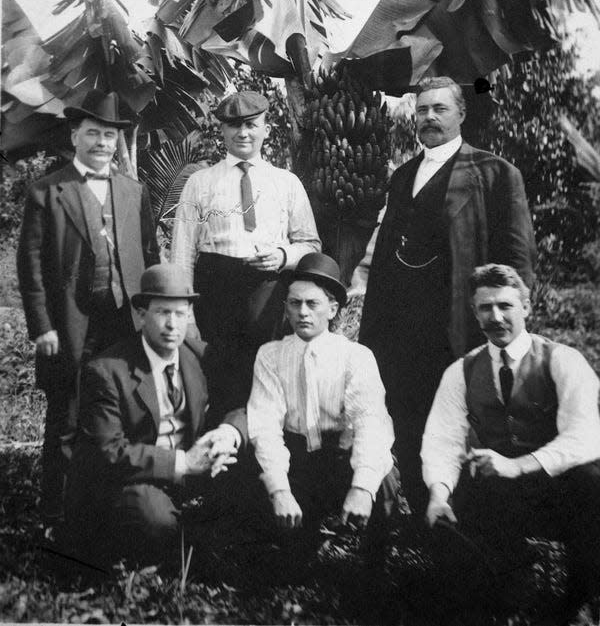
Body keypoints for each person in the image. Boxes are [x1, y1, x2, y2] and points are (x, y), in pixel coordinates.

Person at [359, 76, 536, 514]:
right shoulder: (402, 177)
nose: (430, 117)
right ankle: (424, 517)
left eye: (440, 108)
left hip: (459, 327)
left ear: (461, 114)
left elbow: (517, 262)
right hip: (401, 330)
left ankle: (474, 528)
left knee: (465, 424)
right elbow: (382, 262)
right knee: (407, 420)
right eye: (422, 110)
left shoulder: (494, 173)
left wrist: (507, 331)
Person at [421, 263, 600, 622]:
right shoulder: (462, 371)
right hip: (498, 491)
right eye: (485, 308)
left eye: (506, 306)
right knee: (455, 506)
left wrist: (519, 465)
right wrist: (439, 493)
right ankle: (498, 589)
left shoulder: (562, 360)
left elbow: (585, 437)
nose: (496, 317)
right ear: (474, 312)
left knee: (592, 481)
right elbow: (442, 439)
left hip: (556, 484)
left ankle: (582, 595)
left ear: (527, 308)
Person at [16, 89, 159, 536]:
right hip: (70, 325)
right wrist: (42, 327)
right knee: (68, 418)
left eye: (110, 135)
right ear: (75, 136)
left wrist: (153, 319)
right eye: (93, 133)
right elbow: (32, 265)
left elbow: (151, 257)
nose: (102, 143)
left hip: (125, 322)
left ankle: (122, 509)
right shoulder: (48, 191)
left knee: (128, 413)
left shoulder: (135, 192)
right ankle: (56, 517)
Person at [66, 263, 246, 563]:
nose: (172, 325)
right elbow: (109, 452)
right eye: (163, 312)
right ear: (140, 315)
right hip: (128, 481)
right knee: (154, 519)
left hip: (188, 475)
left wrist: (228, 433)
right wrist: (184, 463)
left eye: (180, 314)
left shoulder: (200, 354)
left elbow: (240, 403)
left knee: (248, 473)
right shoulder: (107, 370)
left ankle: (196, 536)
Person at [171, 90, 321, 412]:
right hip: (215, 291)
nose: (243, 133)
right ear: (222, 131)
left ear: (266, 127)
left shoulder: (286, 182)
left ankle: (264, 458)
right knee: (219, 383)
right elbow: (182, 254)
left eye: (252, 124)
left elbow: (310, 245)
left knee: (266, 382)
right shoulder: (200, 182)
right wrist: (187, 316)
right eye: (234, 125)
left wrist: (283, 256)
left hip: (265, 294)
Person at [248, 253, 398, 550]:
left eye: (312, 304)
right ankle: (299, 535)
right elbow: (264, 426)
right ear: (286, 308)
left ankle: (375, 561)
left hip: (341, 459)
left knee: (382, 478)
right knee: (287, 554)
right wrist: (279, 490)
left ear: (333, 309)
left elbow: (372, 424)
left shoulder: (356, 357)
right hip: (297, 461)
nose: (303, 312)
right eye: (295, 303)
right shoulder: (270, 355)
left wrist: (361, 487)